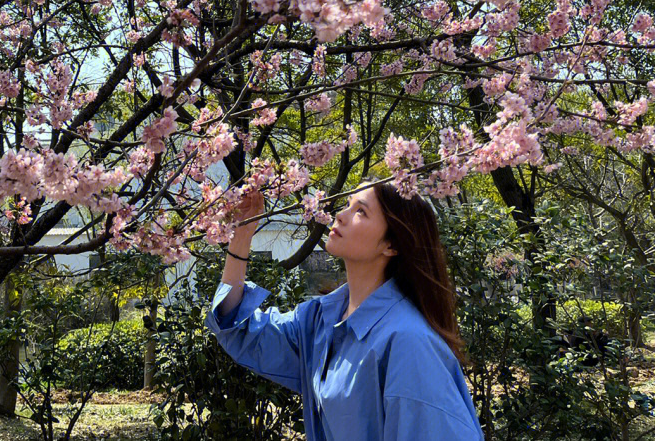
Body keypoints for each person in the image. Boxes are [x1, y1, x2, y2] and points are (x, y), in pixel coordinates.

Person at [205, 179, 483, 441]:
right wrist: (241, 234)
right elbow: (238, 328)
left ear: (392, 244)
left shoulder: (408, 343)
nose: (340, 215)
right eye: (347, 204)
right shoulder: (320, 321)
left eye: (360, 211)